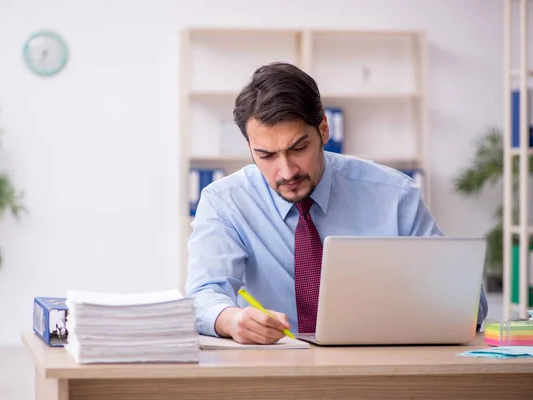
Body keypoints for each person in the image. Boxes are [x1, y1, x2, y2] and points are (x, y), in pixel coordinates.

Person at [185, 61, 488, 345]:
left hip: (380, 364)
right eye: (266, 155)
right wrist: (231, 319)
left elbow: (469, 305)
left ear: (324, 130)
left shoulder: (394, 194)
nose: (287, 171)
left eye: (299, 148)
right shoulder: (225, 201)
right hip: (273, 366)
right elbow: (203, 294)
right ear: (250, 148)